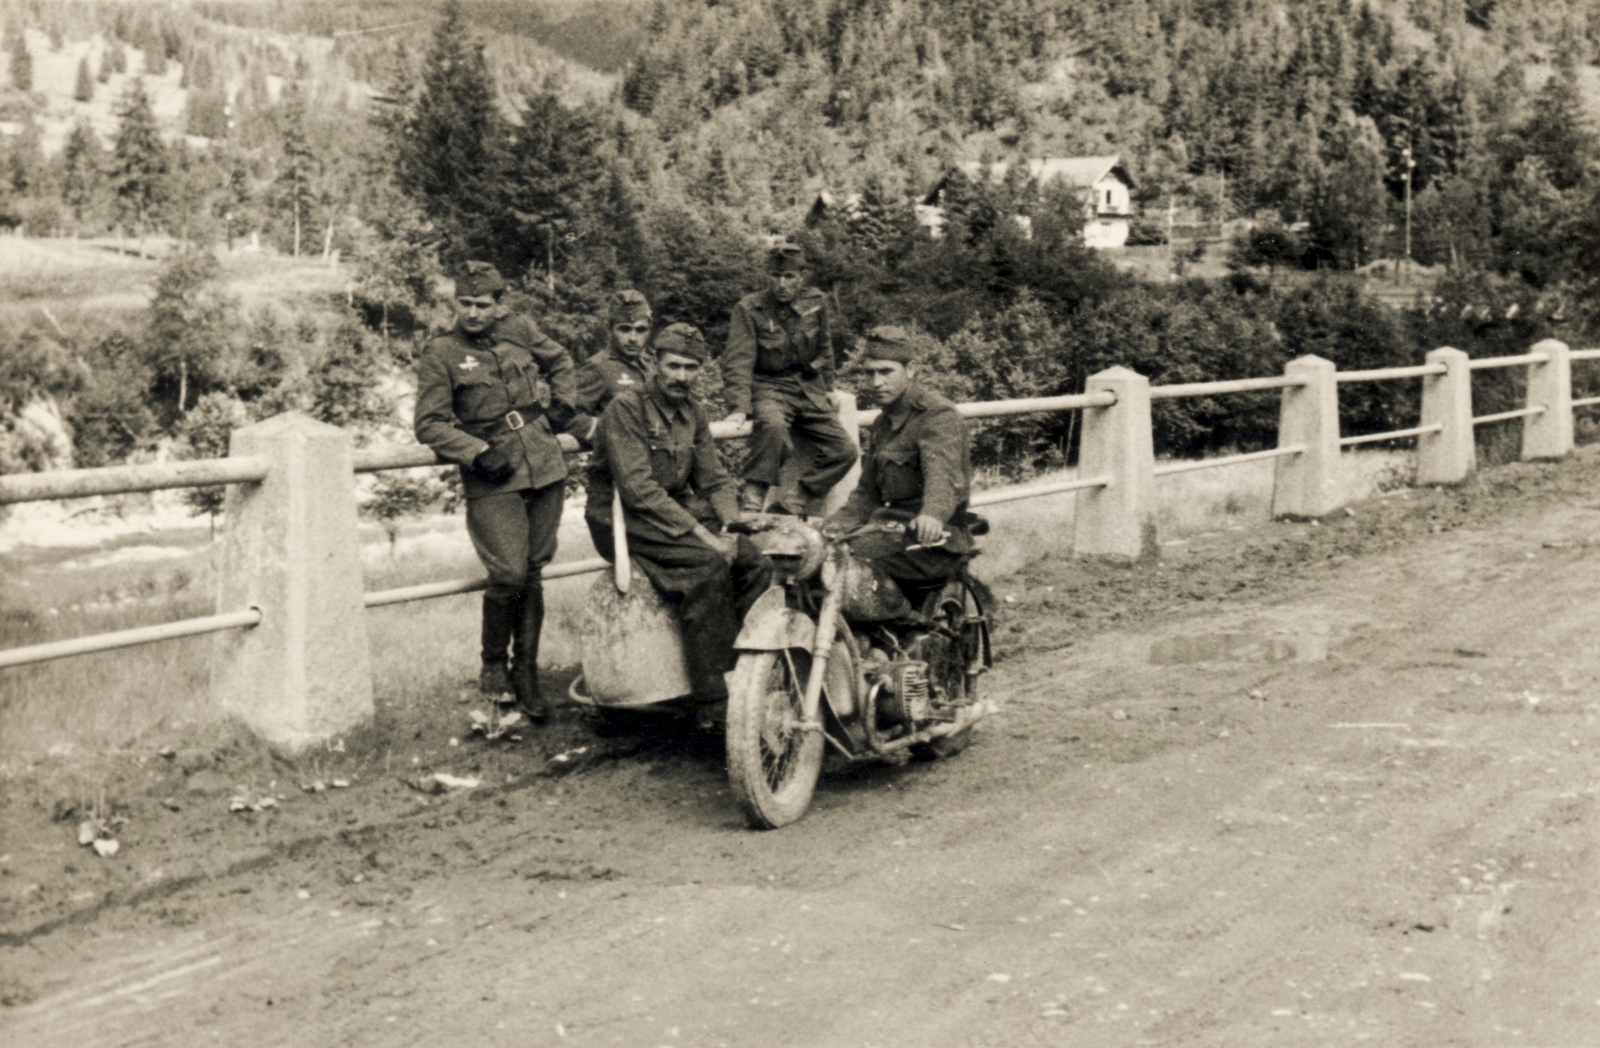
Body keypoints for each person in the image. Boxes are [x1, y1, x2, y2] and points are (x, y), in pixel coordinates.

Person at [414, 261, 578, 720]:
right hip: (492, 474)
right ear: (454, 303)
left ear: (498, 304)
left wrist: (564, 406)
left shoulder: (520, 329)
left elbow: (561, 360)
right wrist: (476, 450)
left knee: (533, 569)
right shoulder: (441, 352)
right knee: (507, 572)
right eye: (464, 303)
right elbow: (428, 424)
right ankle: (492, 666)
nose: (472, 312)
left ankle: (525, 671)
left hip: (544, 463)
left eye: (481, 304)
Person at [586, 323, 774, 705]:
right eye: (673, 366)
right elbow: (638, 491)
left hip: (673, 510)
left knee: (755, 561)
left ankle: (748, 668)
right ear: (654, 362)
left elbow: (715, 479)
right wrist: (707, 537)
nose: (681, 376)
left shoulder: (694, 413)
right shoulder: (626, 407)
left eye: (691, 368)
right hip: (622, 517)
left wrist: (732, 522)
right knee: (707, 566)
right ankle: (713, 698)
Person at [823, 326, 975, 612]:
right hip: (889, 533)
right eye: (869, 373)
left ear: (911, 370)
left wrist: (932, 515)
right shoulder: (882, 424)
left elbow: (943, 476)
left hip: (934, 539)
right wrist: (830, 527)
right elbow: (866, 493)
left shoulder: (936, 414)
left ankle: (899, 636)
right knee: (822, 555)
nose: (876, 382)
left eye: (885, 371)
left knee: (852, 566)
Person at [721, 241, 857, 516]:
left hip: (808, 388)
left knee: (845, 451)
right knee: (773, 428)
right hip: (768, 387)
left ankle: (794, 500)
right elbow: (738, 361)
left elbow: (824, 347)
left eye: (789, 276)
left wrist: (829, 387)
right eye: (775, 275)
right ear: (767, 275)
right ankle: (753, 499)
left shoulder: (816, 302)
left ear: (801, 277)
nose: (781, 283)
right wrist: (739, 407)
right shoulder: (749, 308)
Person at [567, 289, 653, 446]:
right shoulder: (597, 367)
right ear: (610, 329)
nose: (633, 338)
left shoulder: (649, 367)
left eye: (640, 330)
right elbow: (566, 416)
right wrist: (615, 432)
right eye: (625, 329)